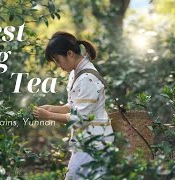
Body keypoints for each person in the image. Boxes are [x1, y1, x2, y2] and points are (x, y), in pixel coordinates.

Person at [32, 31, 114, 179]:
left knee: (73, 176)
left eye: (58, 60)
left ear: (70, 54)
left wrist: (49, 115)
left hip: (96, 141)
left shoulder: (87, 78)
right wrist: (51, 108)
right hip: (87, 139)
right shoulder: (76, 73)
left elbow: (80, 117)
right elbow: (73, 106)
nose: (58, 65)